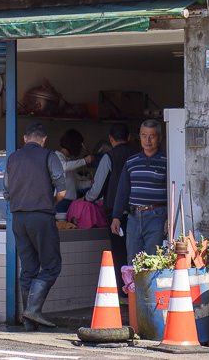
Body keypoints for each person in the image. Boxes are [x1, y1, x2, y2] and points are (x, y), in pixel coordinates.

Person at [4, 122, 66, 330]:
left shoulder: (13, 158)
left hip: (18, 218)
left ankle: (29, 322)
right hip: (41, 216)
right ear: (44, 139)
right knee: (51, 266)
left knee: (28, 268)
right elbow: (62, 191)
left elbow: (6, 191)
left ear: (24, 138)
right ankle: (33, 310)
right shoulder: (50, 156)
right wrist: (51, 202)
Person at [84, 123, 137, 291]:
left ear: (111, 139)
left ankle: (124, 290)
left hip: (115, 214)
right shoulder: (138, 155)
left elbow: (97, 188)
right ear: (129, 138)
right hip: (138, 211)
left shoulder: (109, 157)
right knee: (137, 251)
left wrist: (87, 198)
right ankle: (138, 291)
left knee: (120, 251)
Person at [110, 119, 168, 263]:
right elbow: (122, 191)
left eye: (152, 136)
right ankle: (134, 287)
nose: (147, 140)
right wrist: (116, 216)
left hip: (157, 216)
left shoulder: (166, 162)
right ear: (139, 137)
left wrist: (169, 218)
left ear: (159, 138)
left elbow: (172, 192)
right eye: (144, 135)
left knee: (154, 262)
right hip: (134, 217)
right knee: (133, 262)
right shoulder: (131, 162)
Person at [54, 129, 94, 212]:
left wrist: (91, 183)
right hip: (61, 202)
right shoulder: (56, 156)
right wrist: (84, 161)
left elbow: (75, 184)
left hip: (71, 201)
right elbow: (64, 167)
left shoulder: (68, 161)